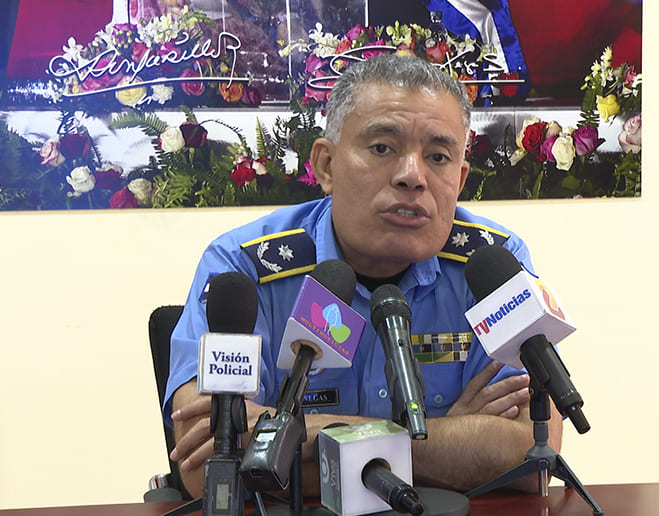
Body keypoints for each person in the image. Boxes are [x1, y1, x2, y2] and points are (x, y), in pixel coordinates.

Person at [165, 53, 562, 498]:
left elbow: (532, 457)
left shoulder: (493, 266)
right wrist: (442, 438)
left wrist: (296, 436)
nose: (412, 177)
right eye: (382, 148)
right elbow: (210, 469)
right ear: (326, 165)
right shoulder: (243, 268)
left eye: (438, 156)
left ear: (460, 178)